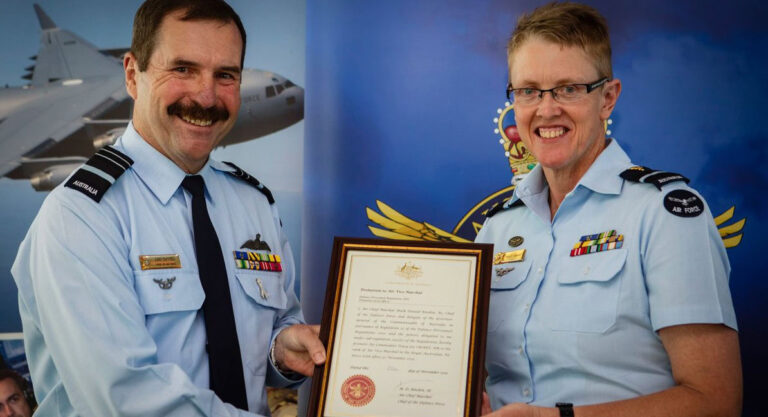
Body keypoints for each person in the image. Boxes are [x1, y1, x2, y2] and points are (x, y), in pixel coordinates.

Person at [11, 0, 325, 415]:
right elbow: (125, 398)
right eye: (183, 69)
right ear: (131, 75)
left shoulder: (253, 204)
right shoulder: (82, 216)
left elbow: (268, 330)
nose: (206, 96)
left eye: (225, 75)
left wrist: (280, 352)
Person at [475, 3, 741, 417]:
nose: (546, 110)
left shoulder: (664, 215)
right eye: (528, 90)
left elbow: (716, 401)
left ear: (607, 98)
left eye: (568, 88)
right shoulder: (495, 229)